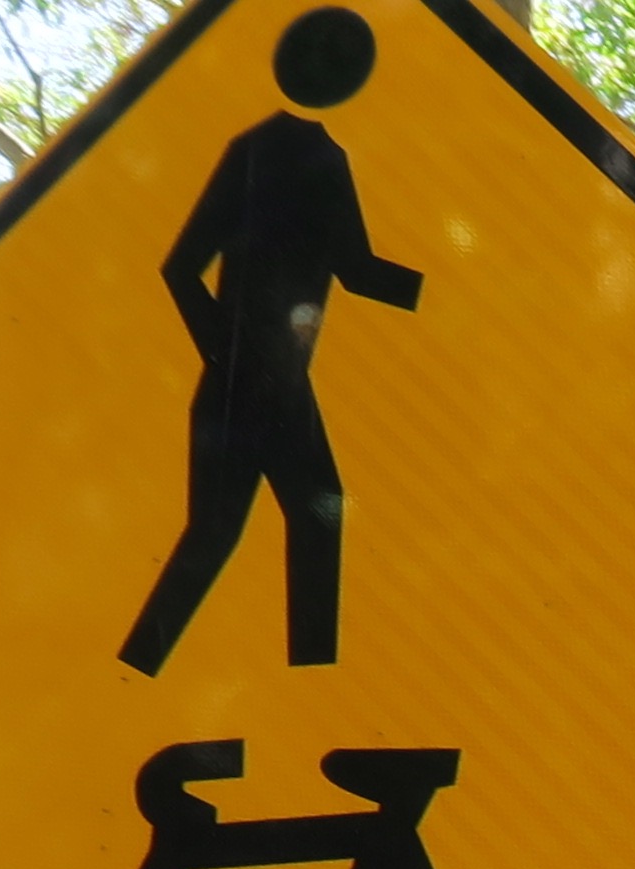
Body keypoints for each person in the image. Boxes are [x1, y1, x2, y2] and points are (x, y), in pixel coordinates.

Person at [119, 7, 422, 676]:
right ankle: (289, 678)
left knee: (255, 526)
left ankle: (153, 667)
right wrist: (446, 288)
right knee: (282, 519)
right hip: (262, 383)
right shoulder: (317, 158)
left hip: (257, 381)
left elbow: (181, 269)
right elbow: (359, 271)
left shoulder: (251, 148)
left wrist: (222, 353)